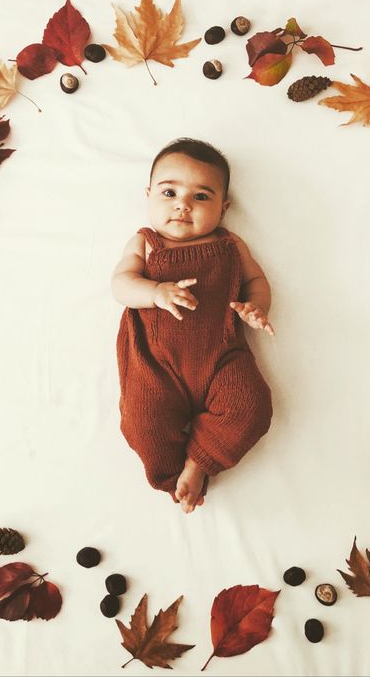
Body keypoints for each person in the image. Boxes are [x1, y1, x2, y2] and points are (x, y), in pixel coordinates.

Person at [111, 138, 274, 514]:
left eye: (201, 197)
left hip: (222, 356)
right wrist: (154, 292)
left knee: (252, 407)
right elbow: (120, 285)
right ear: (148, 195)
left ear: (224, 207)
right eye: (169, 192)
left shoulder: (231, 245)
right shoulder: (146, 244)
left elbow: (257, 282)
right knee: (141, 424)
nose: (182, 205)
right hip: (153, 362)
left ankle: (199, 463)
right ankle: (173, 479)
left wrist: (256, 308)